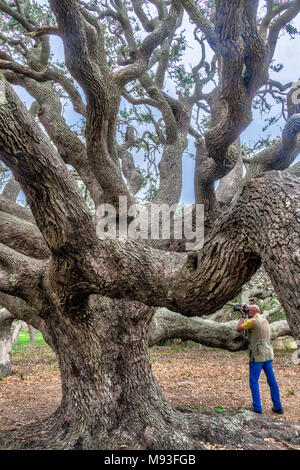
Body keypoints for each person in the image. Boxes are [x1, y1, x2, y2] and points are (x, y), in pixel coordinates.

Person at [236, 304, 284, 415]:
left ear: (252, 312)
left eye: (248, 310)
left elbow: (239, 328)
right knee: (272, 381)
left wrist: (242, 317)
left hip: (257, 356)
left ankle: (257, 407)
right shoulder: (264, 319)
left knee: (253, 381)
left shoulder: (252, 322)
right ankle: (278, 406)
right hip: (268, 355)